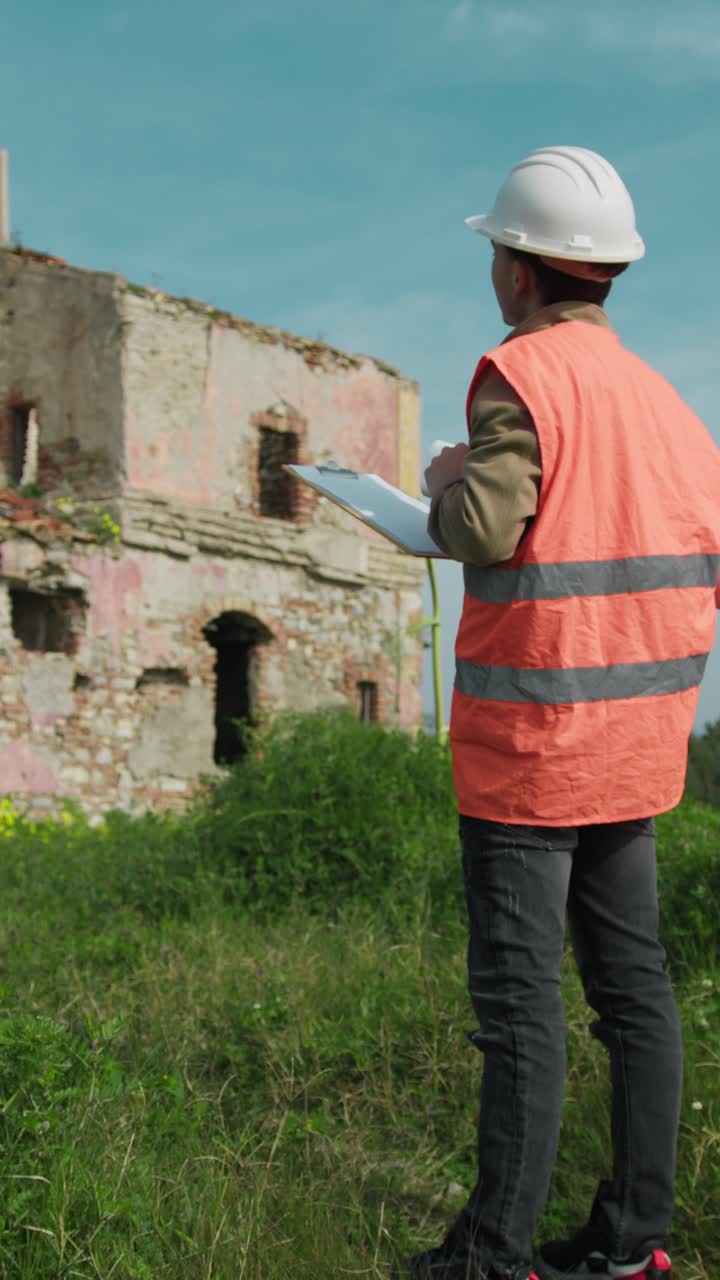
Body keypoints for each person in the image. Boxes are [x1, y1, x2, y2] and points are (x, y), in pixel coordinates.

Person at [399, 146, 720, 1280]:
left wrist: (441, 482)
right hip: (634, 754)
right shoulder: (673, 409)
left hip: (534, 755)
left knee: (521, 1007)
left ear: (519, 270)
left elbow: (485, 528)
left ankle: (494, 1254)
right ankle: (634, 1242)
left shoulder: (518, 374)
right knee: (637, 995)